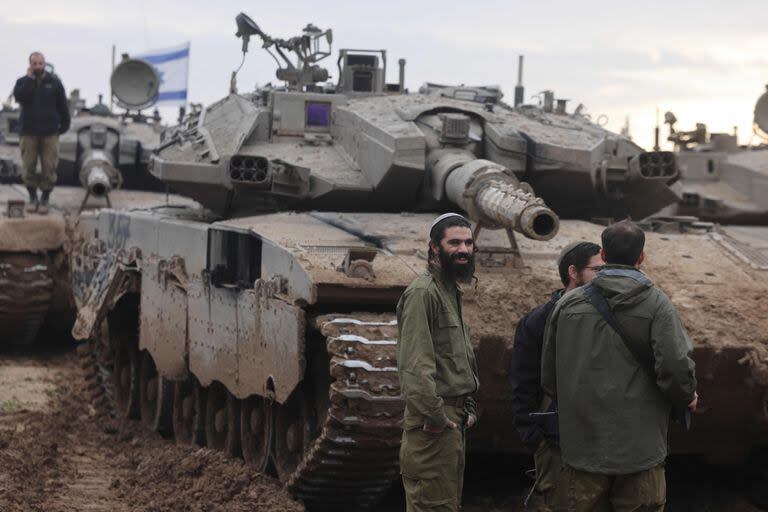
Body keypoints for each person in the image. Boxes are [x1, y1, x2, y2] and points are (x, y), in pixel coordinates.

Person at [542, 220, 698, 511]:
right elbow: (676, 368)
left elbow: (550, 379)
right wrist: (686, 396)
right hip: (640, 452)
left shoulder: (568, 304)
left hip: (582, 449)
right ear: (641, 257)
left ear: (602, 254)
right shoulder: (658, 304)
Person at [510, 241, 602, 511]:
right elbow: (522, 382)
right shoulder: (539, 320)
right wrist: (534, 437)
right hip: (557, 440)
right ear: (573, 272)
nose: (606, 276)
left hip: (604, 440)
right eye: (598, 270)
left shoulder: (611, 315)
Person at [396, 212, 480, 512]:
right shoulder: (423, 293)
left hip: (451, 418)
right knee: (433, 505)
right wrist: (434, 415)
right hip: (434, 422)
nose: (464, 250)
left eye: (469, 243)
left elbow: (457, 357)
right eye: (454, 242)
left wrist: (468, 404)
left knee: (446, 503)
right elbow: (415, 364)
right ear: (434, 247)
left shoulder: (449, 290)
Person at [13, 51, 70, 214]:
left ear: (44, 64)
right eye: (35, 64)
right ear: (30, 65)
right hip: (29, 132)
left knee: (49, 167)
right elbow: (20, 98)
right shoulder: (22, 82)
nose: (38, 66)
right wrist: (30, 80)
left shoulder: (55, 83)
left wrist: (63, 127)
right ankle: (32, 197)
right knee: (28, 166)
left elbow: (63, 107)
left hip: (50, 133)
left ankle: (45, 198)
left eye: (40, 63)